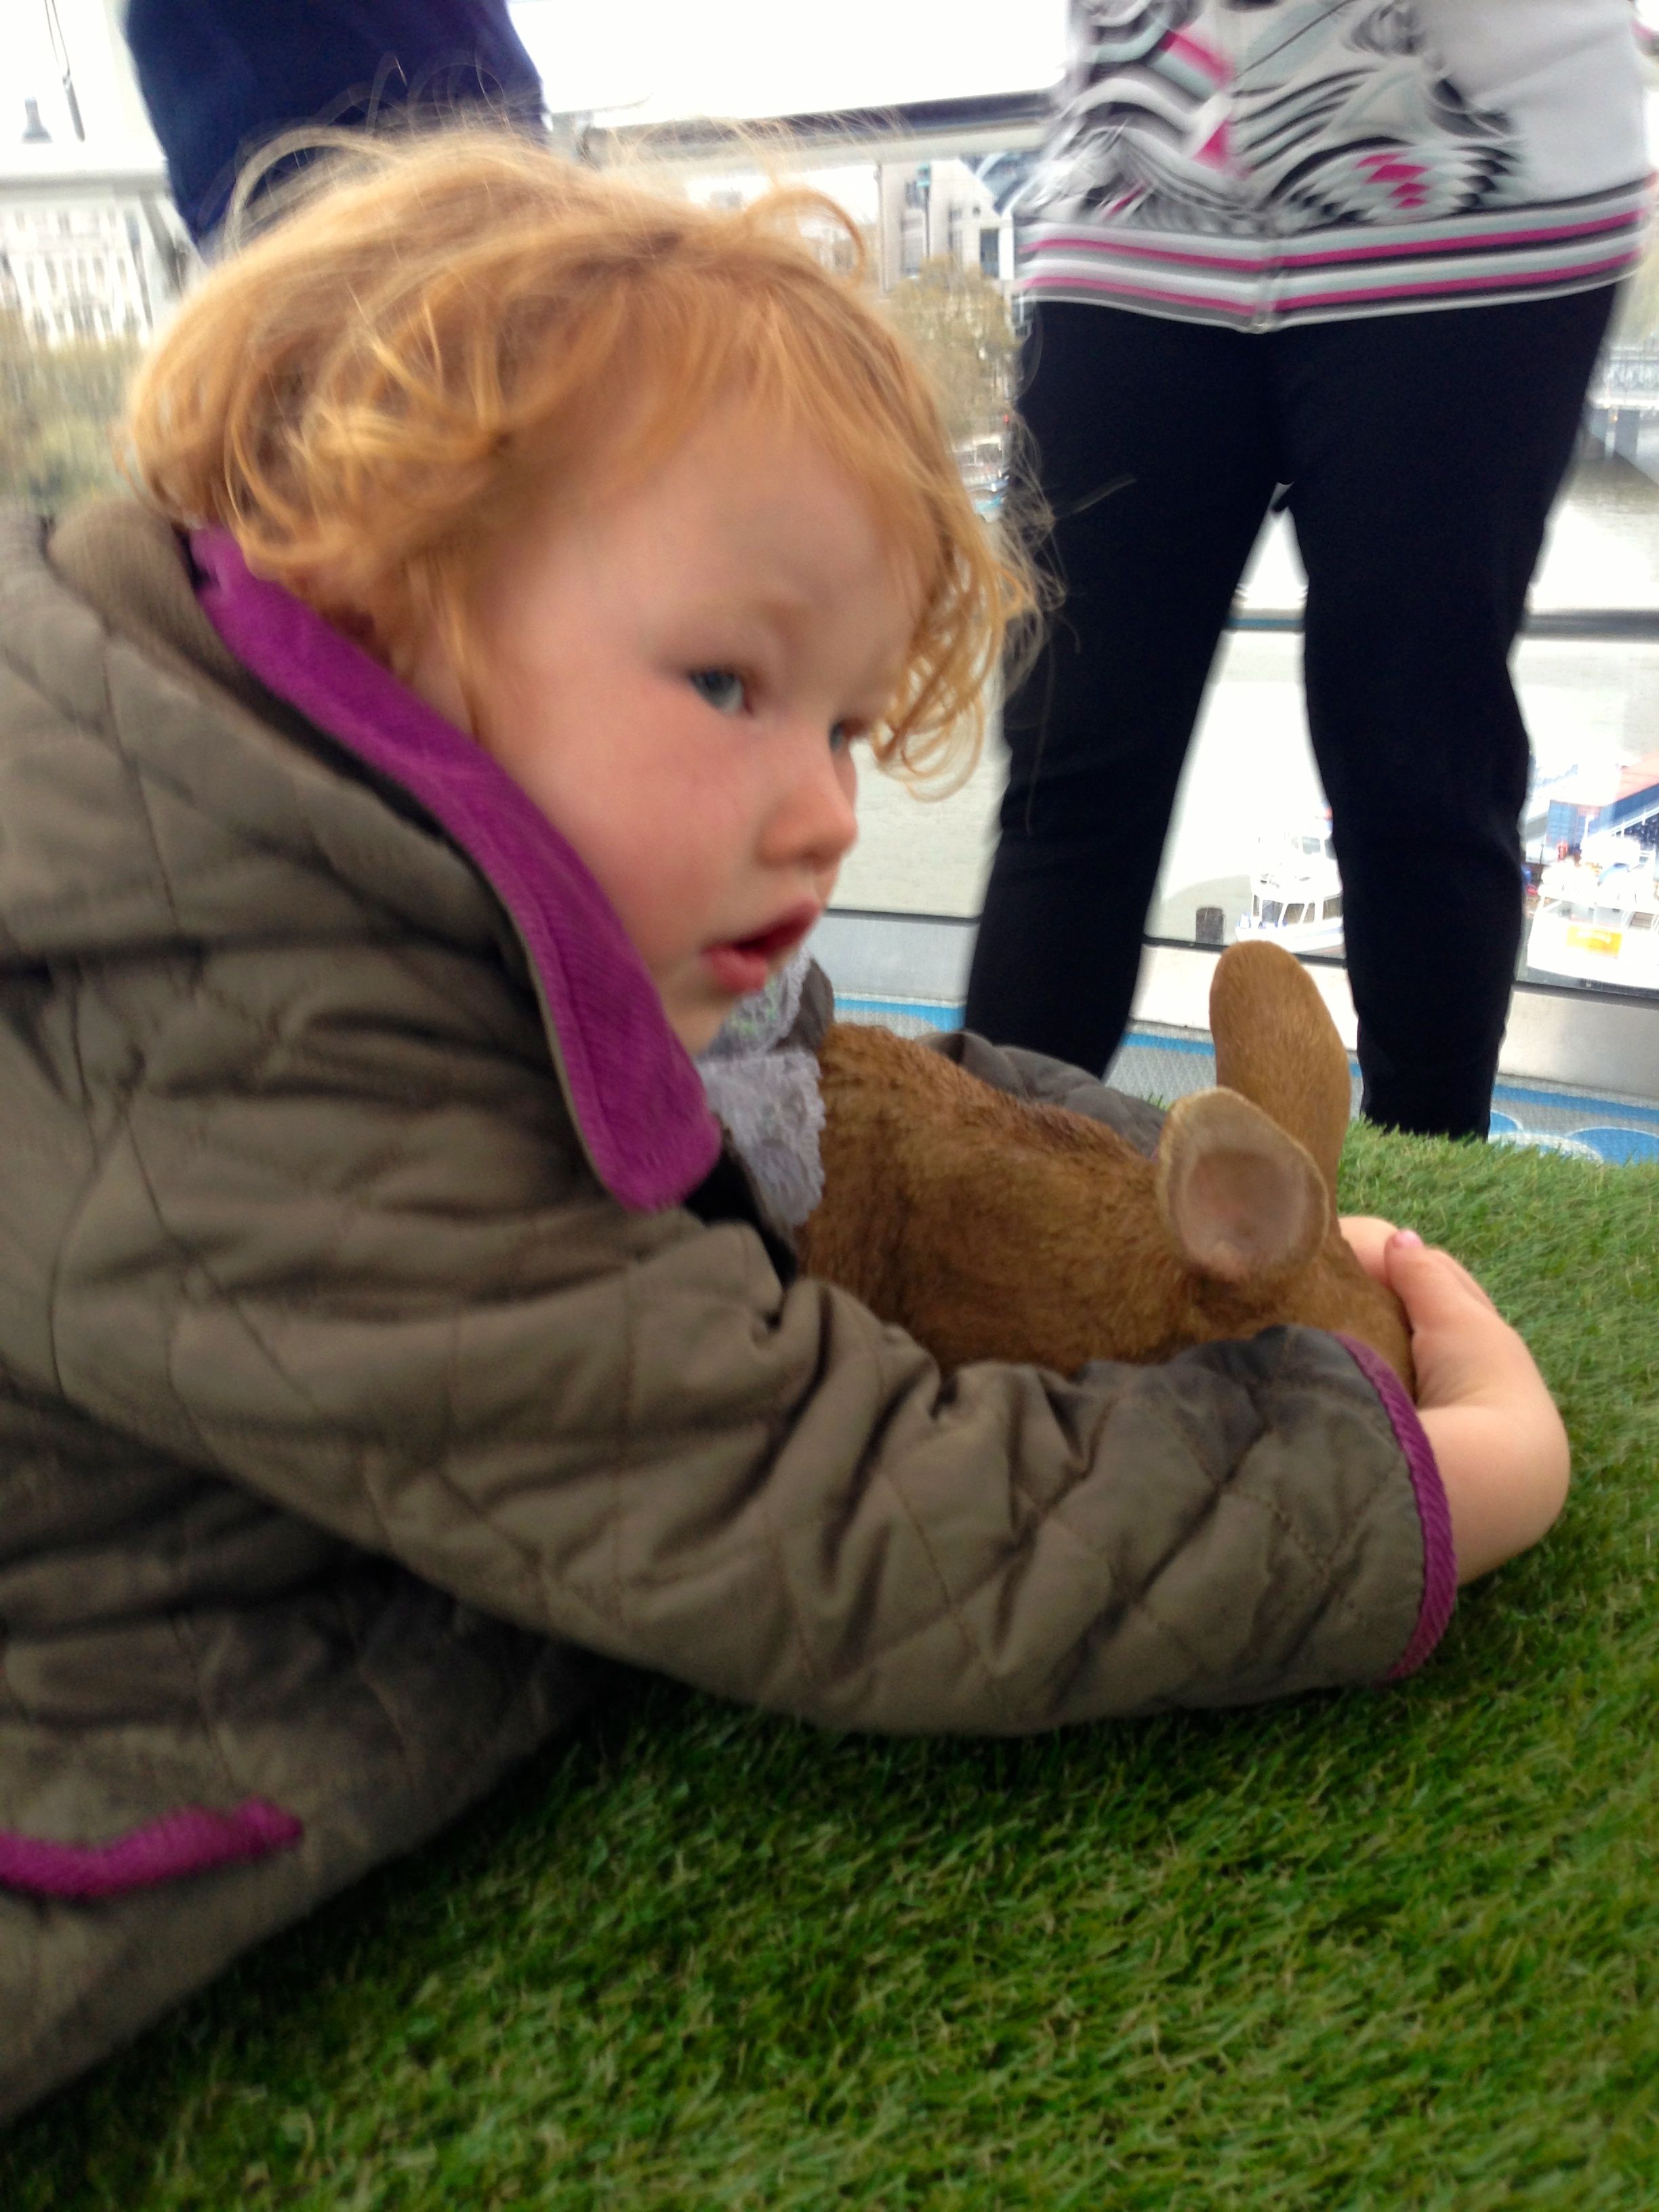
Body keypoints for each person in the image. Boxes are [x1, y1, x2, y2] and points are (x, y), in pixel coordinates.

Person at [0, 132, 1568, 2121]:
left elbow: (820, 1080)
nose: (832, 810)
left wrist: (1155, 1208)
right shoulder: (251, 1051)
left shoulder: (331, 825)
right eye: (732, 679)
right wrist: (1429, 1486)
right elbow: (836, 1523)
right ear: (386, 582)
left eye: (838, 724)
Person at [964, 0, 1651, 1141]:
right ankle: (979, 1218)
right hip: (1135, 177)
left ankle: (1426, 1257)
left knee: (1416, 765)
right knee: (1066, 768)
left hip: (1483, 192)